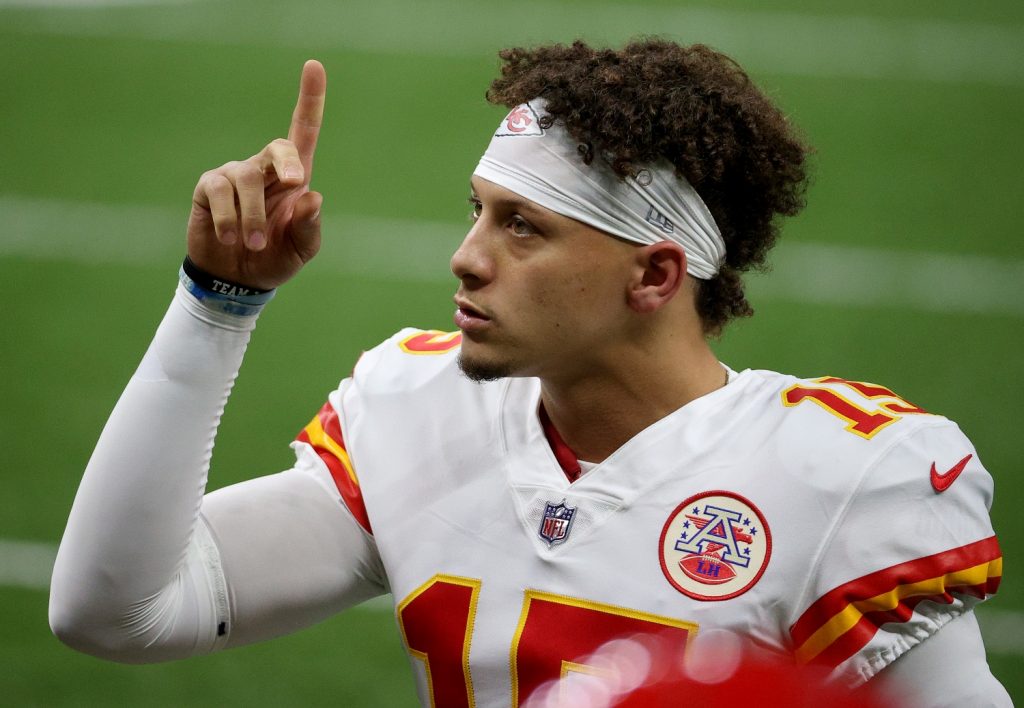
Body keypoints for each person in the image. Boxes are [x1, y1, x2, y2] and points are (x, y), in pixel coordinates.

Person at [49, 40, 1009, 706]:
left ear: (656, 273)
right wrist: (216, 304)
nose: (466, 257)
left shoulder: (839, 482)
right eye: (477, 210)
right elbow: (117, 613)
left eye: (522, 227)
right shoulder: (417, 410)